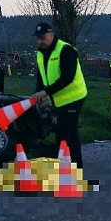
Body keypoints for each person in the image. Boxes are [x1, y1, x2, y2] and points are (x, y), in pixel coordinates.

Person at [30, 22, 88, 166]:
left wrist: (46, 92)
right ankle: (67, 164)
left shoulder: (66, 50)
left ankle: (74, 166)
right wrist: (38, 93)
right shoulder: (40, 53)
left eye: (42, 37)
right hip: (59, 99)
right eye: (37, 38)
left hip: (74, 96)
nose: (39, 41)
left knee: (67, 133)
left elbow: (67, 77)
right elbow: (41, 76)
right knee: (63, 133)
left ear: (51, 35)